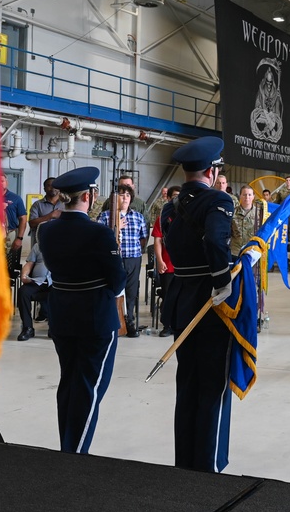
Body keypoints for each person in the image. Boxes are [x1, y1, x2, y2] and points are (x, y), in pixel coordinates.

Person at [37, 167, 127, 454]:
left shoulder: (46, 229)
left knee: (69, 384)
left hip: (63, 315)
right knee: (89, 388)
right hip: (95, 319)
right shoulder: (99, 233)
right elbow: (117, 280)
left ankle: (68, 444)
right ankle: (75, 455)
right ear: (88, 196)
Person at [160, 137, 236, 473]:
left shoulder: (169, 207)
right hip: (209, 304)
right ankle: (208, 467)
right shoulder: (218, 200)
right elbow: (215, 242)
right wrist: (224, 282)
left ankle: (185, 462)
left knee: (187, 384)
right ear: (211, 170)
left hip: (181, 300)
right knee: (213, 388)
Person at [97, 185, 149, 337]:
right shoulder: (106, 216)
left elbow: (143, 238)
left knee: (131, 291)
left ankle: (129, 322)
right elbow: (99, 238)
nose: (125, 197)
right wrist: (115, 228)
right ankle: (112, 321)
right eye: (121, 194)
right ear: (114, 198)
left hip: (133, 258)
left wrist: (136, 250)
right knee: (112, 291)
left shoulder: (138, 217)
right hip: (113, 258)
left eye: (127, 194)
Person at [152, 186, 180, 339]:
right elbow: (157, 241)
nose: (177, 199)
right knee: (168, 295)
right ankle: (167, 325)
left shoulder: (187, 217)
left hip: (183, 265)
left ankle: (180, 324)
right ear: (168, 198)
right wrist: (159, 261)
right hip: (167, 264)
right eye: (174, 196)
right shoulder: (162, 217)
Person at [16, 242, 51, 341]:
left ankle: (54, 328)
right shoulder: (38, 245)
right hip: (37, 281)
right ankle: (28, 328)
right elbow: (29, 263)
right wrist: (24, 276)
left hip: (54, 282)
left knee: (58, 293)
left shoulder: (64, 245)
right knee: (23, 292)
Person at [2, 173, 28, 273]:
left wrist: (19, 238)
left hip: (10, 233)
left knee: (9, 262)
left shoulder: (16, 198)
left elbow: (23, 218)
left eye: (2, 181)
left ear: (7, 183)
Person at [27, 177, 61, 246]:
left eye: (55, 185)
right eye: (49, 185)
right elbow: (32, 223)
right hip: (41, 244)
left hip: (61, 243)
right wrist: (50, 216)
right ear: (44, 189)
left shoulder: (66, 204)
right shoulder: (37, 205)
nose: (52, 188)